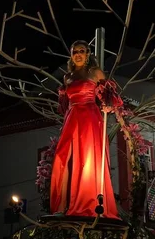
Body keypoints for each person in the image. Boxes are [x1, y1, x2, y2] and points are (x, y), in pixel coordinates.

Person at [50, 40, 122, 219]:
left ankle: (89, 201)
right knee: (62, 155)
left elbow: (109, 95)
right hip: (72, 116)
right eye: (75, 52)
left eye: (82, 51)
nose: (78, 54)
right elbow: (64, 103)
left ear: (88, 53)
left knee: (88, 158)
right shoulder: (68, 77)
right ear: (71, 55)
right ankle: (62, 203)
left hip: (90, 116)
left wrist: (108, 104)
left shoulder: (94, 72)